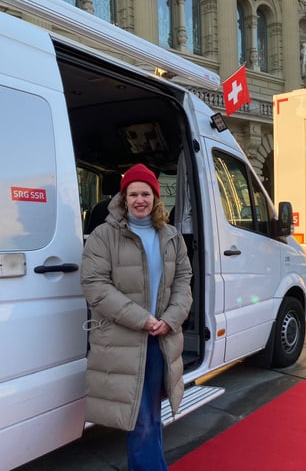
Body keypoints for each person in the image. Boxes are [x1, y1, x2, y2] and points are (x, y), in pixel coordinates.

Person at [81, 164, 193, 470]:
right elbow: (94, 285)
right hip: (125, 341)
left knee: (150, 416)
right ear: (123, 197)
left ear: (156, 197)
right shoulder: (104, 235)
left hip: (161, 340)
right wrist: (141, 319)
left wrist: (170, 319)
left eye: (146, 193)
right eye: (133, 193)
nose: (139, 199)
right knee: (142, 419)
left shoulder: (171, 236)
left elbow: (184, 281)